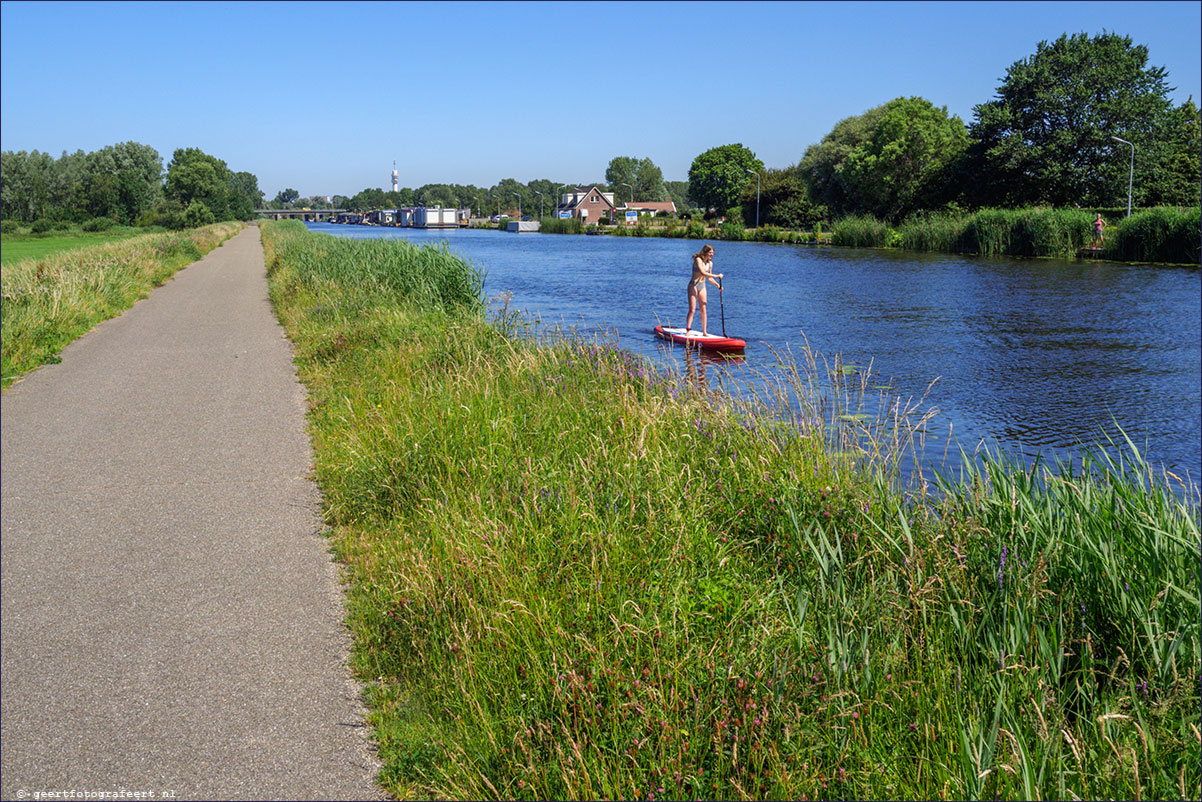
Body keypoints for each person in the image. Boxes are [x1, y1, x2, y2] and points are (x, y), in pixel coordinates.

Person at [685, 244, 723, 335]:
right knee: (692, 310)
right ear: (705, 252)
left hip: (702, 286)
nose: (711, 254)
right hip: (693, 285)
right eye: (710, 252)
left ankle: (704, 332)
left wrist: (717, 285)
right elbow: (702, 272)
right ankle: (688, 330)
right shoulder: (698, 260)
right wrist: (717, 276)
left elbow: (709, 278)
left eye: (712, 253)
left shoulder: (710, 264)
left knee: (703, 309)